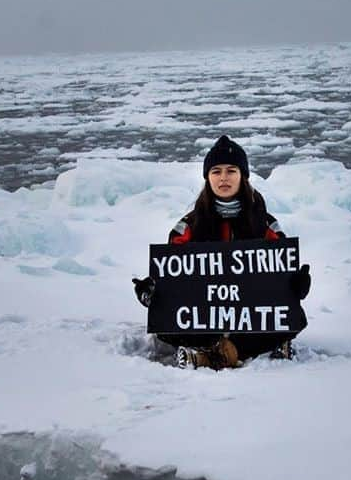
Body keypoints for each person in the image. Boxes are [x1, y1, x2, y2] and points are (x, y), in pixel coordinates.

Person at [133, 135, 311, 369]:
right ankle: (229, 351)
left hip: (250, 318)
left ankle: (208, 355)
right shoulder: (187, 226)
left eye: (231, 171)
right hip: (204, 318)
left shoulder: (266, 223)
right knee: (169, 326)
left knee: (292, 319)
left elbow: (279, 275)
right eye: (216, 171)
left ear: (243, 176)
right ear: (207, 177)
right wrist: (152, 292)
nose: (223, 178)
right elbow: (172, 281)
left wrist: (296, 284)